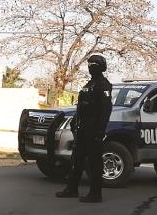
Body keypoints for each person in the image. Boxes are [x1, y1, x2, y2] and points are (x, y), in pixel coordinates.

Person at [56, 54, 112, 203]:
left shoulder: (103, 85)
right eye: (89, 63)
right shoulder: (89, 84)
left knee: (94, 162)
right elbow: (81, 106)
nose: (90, 66)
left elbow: (106, 110)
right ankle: (72, 189)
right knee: (77, 159)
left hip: (94, 129)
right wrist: (75, 121)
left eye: (94, 63)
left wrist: (101, 131)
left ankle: (95, 194)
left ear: (101, 66)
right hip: (82, 129)